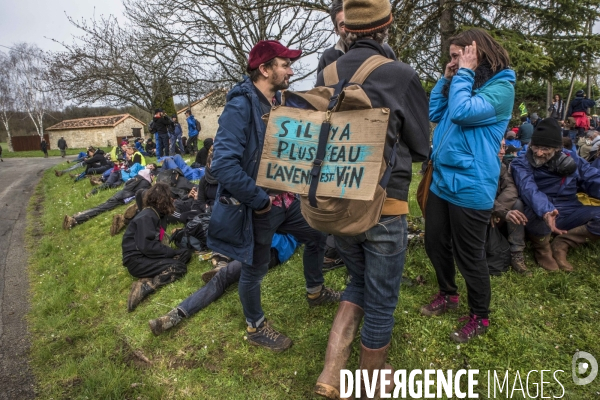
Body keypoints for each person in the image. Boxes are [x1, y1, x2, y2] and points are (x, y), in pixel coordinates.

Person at [313, 1, 430, 397]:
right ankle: (369, 384)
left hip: (336, 205)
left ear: (346, 29)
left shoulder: (327, 70)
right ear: (386, 28)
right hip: (384, 207)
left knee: (356, 280)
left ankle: (331, 375)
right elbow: (420, 145)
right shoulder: (400, 74)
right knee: (382, 301)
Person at [208, 40, 340, 353]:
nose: (291, 70)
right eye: (285, 64)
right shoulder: (240, 106)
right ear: (265, 69)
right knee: (254, 268)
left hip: (286, 201)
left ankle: (315, 290)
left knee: (317, 234)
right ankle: (255, 327)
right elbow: (223, 165)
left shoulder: (278, 102)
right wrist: (260, 200)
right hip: (259, 206)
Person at [423, 28, 515, 344]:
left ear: (475, 53)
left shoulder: (501, 87)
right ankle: (448, 294)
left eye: (456, 55)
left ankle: (480, 315)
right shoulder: (463, 82)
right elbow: (436, 112)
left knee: (469, 255)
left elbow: (462, 113)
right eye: (450, 57)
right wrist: (447, 78)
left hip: (472, 184)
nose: (452, 61)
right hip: (442, 180)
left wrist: (462, 74)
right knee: (435, 242)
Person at [148, 233, 297, 335]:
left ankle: (173, 317)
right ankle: (220, 262)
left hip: (269, 249)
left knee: (222, 277)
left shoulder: (293, 202)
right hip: (253, 243)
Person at [511, 118, 600, 271]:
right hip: (538, 211)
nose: (538, 153)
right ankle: (542, 248)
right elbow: (529, 189)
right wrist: (546, 210)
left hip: (570, 209)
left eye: (545, 149)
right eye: (536, 147)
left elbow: (592, 178)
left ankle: (563, 242)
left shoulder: (573, 159)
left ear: (558, 148)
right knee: (532, 212)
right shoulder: (521, 162)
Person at [122, 182, 193, 312]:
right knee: (179, 267)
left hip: (146, 255)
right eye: (170, 197)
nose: (173, 200)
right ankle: (146, 286)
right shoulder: (147, 216)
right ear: (163, 199)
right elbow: (147, 246)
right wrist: (170, 252)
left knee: (186, 253)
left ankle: (153, 273)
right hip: (137, 261)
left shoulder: (157, 214)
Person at [316, 0, 396, 75]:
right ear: (336, 30)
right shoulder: (328, 58)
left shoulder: (385, 50)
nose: (348, 29)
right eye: (343, 25)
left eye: (350, 23)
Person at [63, 169, 153, 229]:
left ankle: (78, 215)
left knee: (101, 207)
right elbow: (139, 195)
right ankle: (75, 220)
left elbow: (126, 185)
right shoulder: (146, 184)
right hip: (121, 199)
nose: (153, 177)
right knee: (101, 209)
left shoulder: (136, 178)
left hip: (118, 194)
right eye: (152, 175)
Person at [492, 140, 529, 275]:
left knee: (517, 204)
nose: (502, 151)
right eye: (498, 147)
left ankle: (516, 252)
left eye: (503, 147)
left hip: (495, 215)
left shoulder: (500, 166)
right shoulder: (474, 166)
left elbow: (511, 188)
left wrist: (499, 211)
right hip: (477, 215)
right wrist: (497, 210)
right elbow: (477, 194)